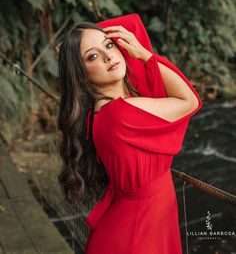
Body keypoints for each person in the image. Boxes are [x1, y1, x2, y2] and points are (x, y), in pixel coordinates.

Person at [57, 13, 202, 254]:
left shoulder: (99, 112)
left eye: (109, 44)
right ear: (79, 73)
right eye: (92, 56)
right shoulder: (121, 113)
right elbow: (190, 100)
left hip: (138, 223)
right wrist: (145, 55)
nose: (108, 56)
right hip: (137, 235)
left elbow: (131, 22)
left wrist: (71, 46)